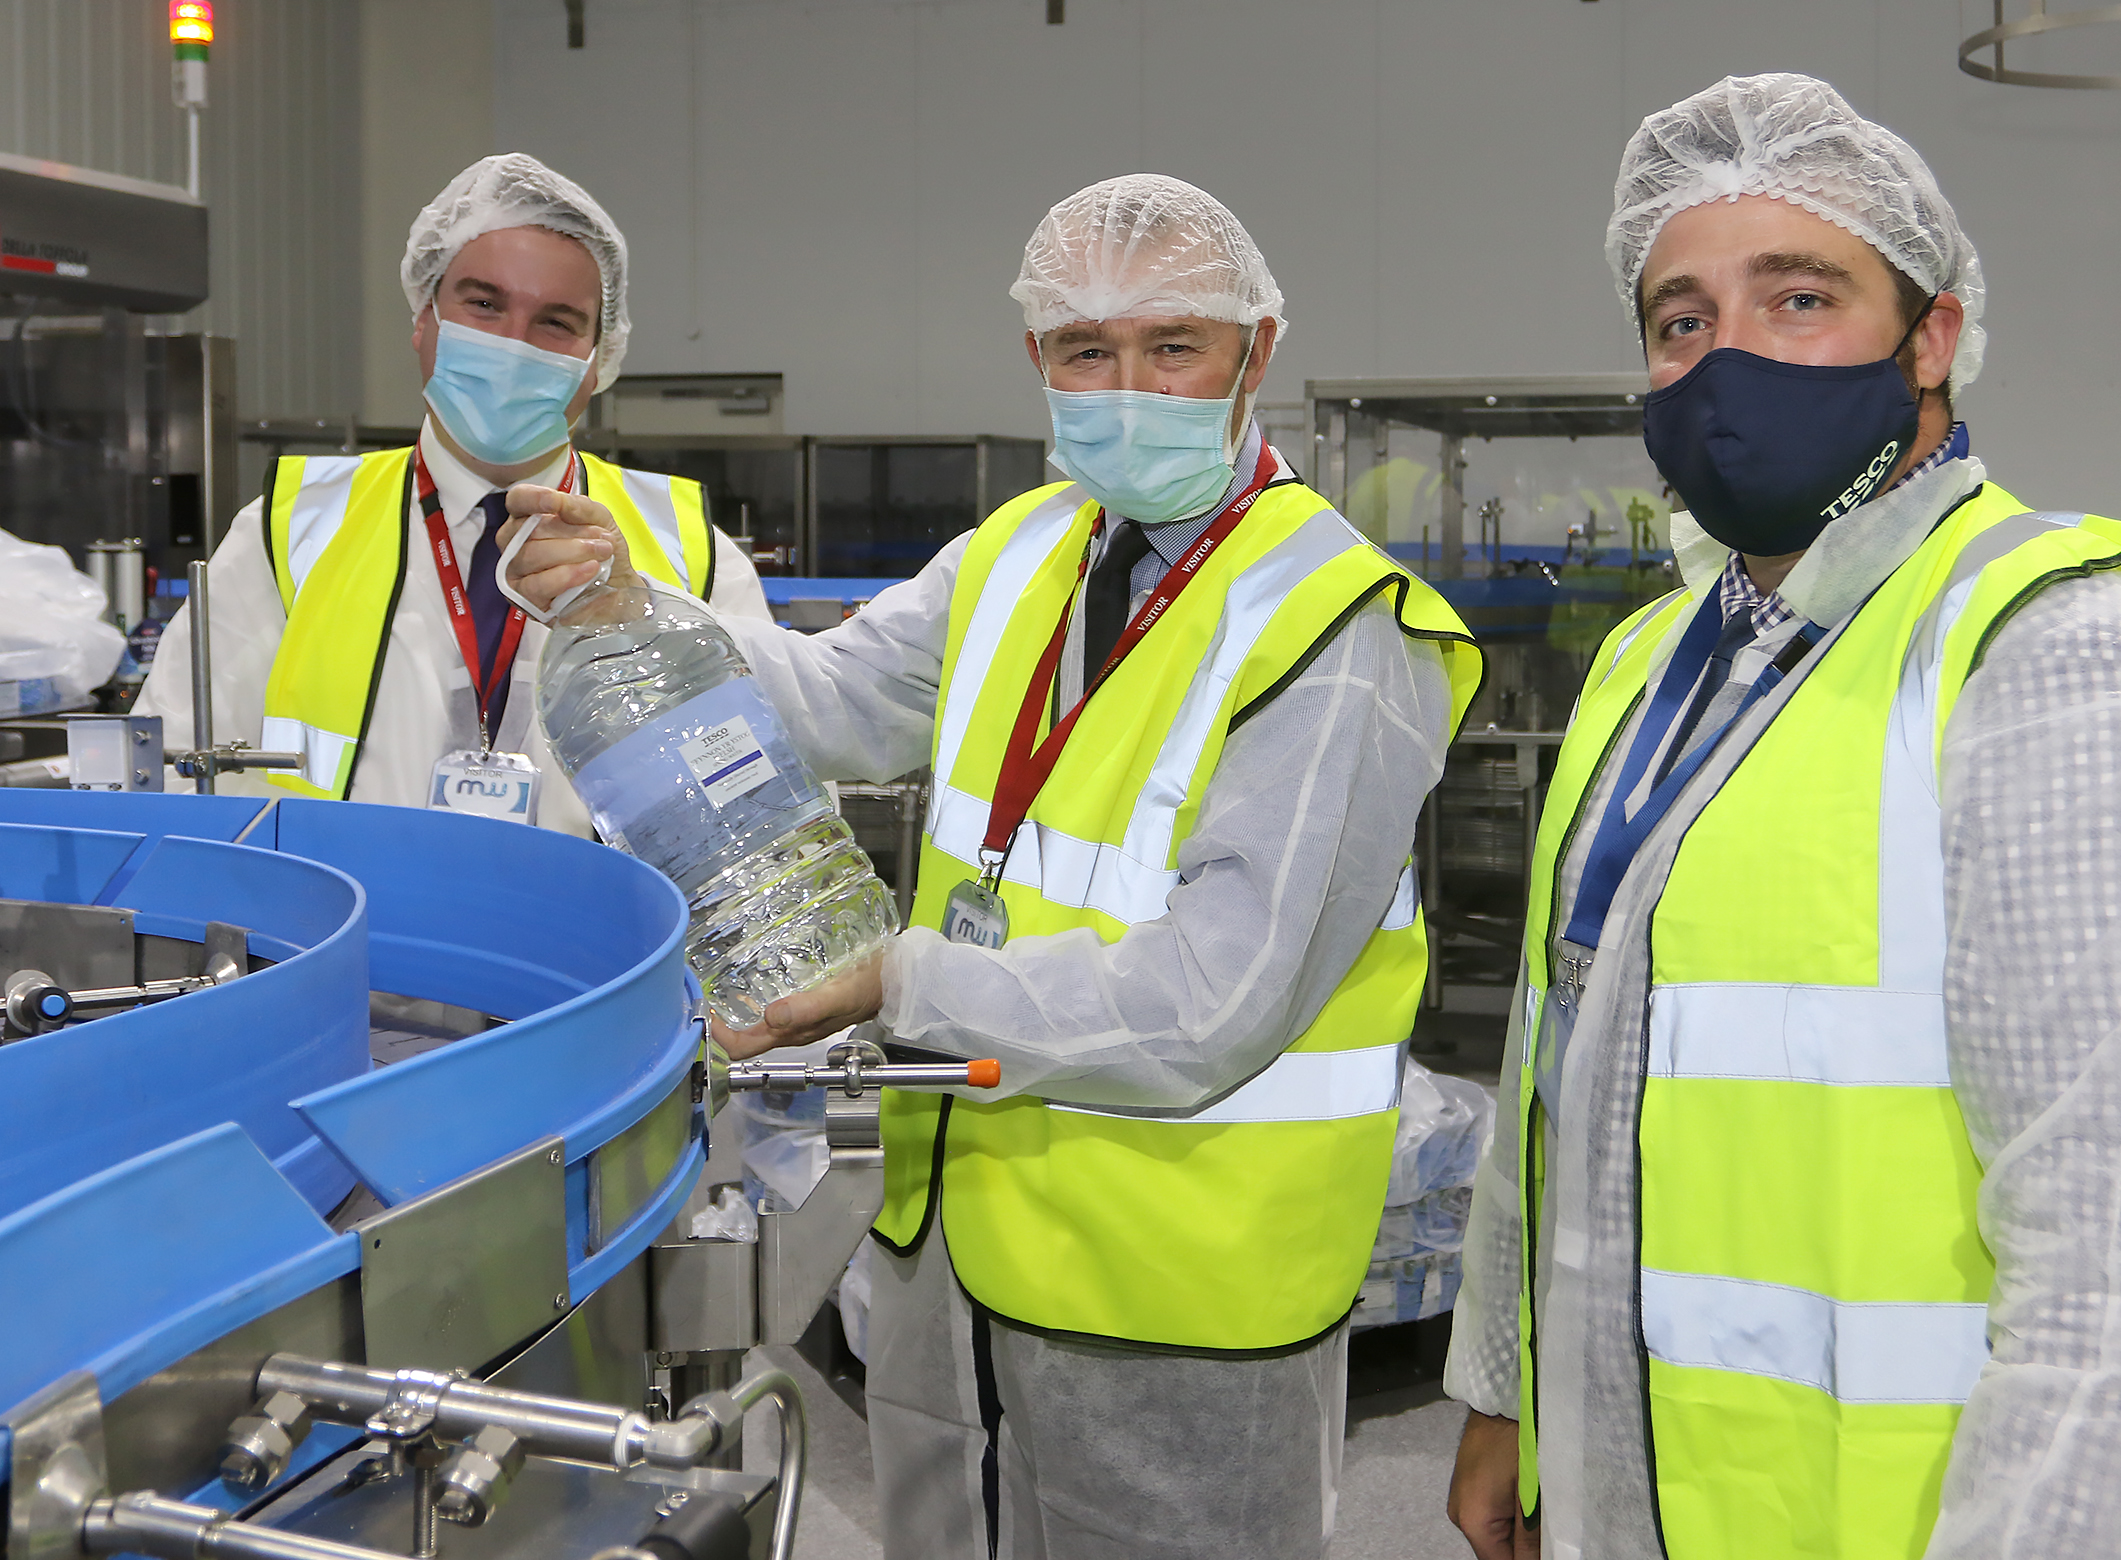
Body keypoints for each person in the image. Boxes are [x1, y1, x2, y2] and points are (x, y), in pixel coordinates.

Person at [504, 174, 1482, 1559]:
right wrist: (633, 607)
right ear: (1037, 363)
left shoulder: (1336, 628)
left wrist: (903, 975)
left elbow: (1215, 999)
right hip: (952, 1255)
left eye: (1172, 346)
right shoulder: (1018, 552)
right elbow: (826, 701)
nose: (1125, 386)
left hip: (1175, 1299)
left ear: (1255, 354)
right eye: (1086, 350)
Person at [1442, 74, 2121, 1560]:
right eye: (1679, 320)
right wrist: (1509, 1385)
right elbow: (1560, 1077)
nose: (1725, 363)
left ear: (1932, 335)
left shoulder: (2070, 661)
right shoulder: (1655, 664)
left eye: (1795, 298)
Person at [137, 153, 768, 831]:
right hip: (348, 931)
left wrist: (639, 638)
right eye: (484, 304)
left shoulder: (692, 553)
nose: (512, 345)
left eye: (555, 321)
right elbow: (171, 776)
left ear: (599, 360)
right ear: (423, 319)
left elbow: (762, 804)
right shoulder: (289, 531)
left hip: (598, 936)